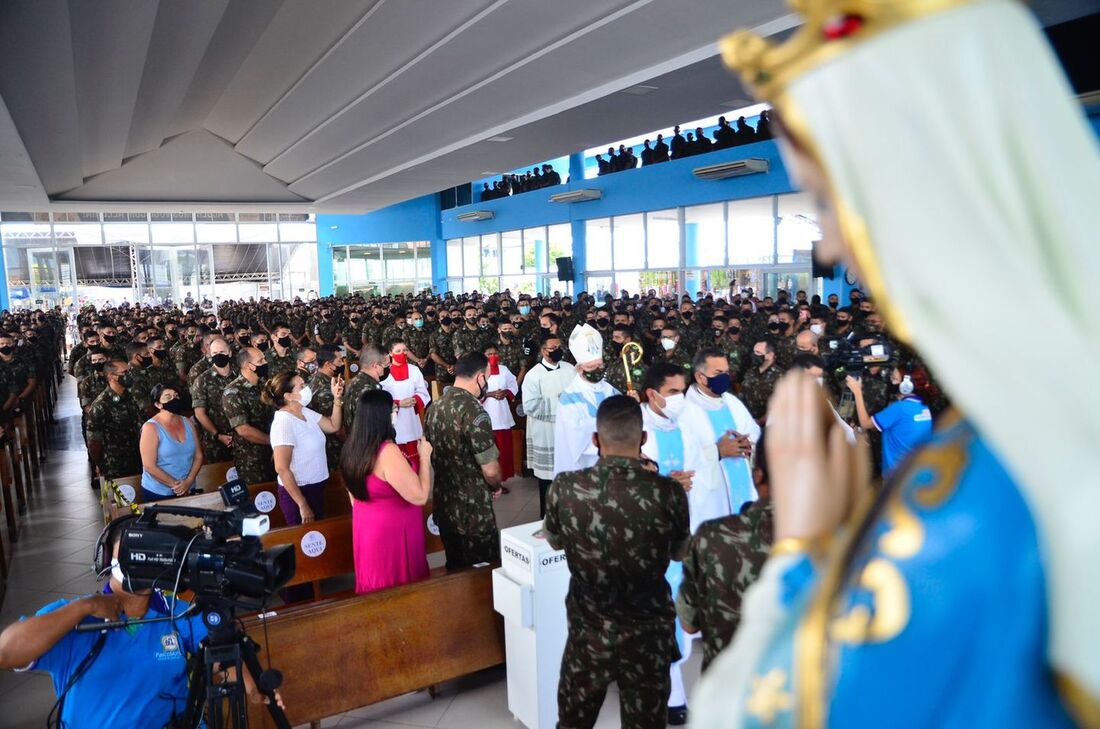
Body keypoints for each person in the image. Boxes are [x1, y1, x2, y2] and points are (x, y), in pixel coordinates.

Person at [693, 3, 1099, 725]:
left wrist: (803, 549)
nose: (826, 248)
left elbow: (752, 711)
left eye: (825, 201)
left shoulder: (984, 489)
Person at [543, 395, 689, 729]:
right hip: (648, 632)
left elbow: (554, 539)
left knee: (572, 723)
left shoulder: (566, 488)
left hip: (589, 630)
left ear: (596, 439)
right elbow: (679, 552)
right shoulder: (667, 492)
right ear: (643, 439)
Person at [676, 430, 774, 673]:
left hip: (725, 697)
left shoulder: (712, 537)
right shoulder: (840, 545)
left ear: (757, 476)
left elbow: (688, 624)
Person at [638, 363, 703, 725]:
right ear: (653, 394)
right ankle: (669, 690)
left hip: (682, 530)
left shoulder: (689, 420)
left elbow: (703, 460)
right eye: (675, 392)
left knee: (675, 605)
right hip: (647, 535)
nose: (681, 398)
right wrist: (666, 483)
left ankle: (671, 679)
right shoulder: (636, 426)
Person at [341, 389, 432, 593]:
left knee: (376, 587)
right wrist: (424, 457)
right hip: (393, 534)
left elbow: (353, 497)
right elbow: (420, 495)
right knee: (398, 589)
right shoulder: (386, 452)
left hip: (367, 526)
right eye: (393, 409)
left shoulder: (352, 447)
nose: (395, 413)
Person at [423, 352, 502, 571]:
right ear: (479, 377)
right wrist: (495, 485)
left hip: (446, 503)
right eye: (486, 376)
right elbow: (491, 469)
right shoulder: (475, 412)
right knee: (484, 572)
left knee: (455, 567)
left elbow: (431, 452)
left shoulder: (434, 408)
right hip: (473, 509)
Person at [683, 349, 760, 515]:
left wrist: (748, 446)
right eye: (718, 373)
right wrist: (717, 451)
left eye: (726, 372)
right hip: (709, 501)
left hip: (744, 490)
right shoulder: (685, 411)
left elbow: (755, 435)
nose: (725, 377)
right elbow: (683, 457)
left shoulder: (732, 403)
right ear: (700, 377)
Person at [265, 370, 344, 525]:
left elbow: (333, 426)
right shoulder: (284, 422)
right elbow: (282, 468)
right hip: (299, 492)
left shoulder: (304, 412)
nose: (306, 388)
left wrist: (337, 399)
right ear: (288, 396)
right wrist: (302, 504)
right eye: (301, 386)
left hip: (317, 487)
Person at [552, 324, 621, 476]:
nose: (597, 370)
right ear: (579, 369)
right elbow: (576, 434)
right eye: (591, 367)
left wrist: (631, 405)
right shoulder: (569, 396)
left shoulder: (612, 391)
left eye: (599, 365)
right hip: (581, 467)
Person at [521, 333, 575, 516]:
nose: (558, 351)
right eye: (553, 348)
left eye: (560, 347)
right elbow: (530, 406)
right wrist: (559, 402)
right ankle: (546, 518)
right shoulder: (533, 375)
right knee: (548, 480)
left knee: (568, 477)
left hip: (568, 431)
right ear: (543, 351)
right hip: (546, 433)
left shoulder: (570, 369)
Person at [847, 367, 933, 477]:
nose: (891, 381)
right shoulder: (923, 408)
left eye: (895, 378)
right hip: (915, 470)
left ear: (906, 387)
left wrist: (857, 391)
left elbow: (865, 423)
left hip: (895, 476)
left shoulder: (900, 408)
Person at [139, 384, 202, 502]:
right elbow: (149, 466)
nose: (174, 399)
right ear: (158, 404)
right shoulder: (150, 427)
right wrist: (178, 486)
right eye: (168, 397)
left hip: (188, 488)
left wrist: (188, 481)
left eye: (176, 396)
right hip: (159, 492)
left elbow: (198, 456)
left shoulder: (188, 422)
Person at [222, 348, 277, 486]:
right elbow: (244, 430)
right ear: (248, 366)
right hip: (253, 460)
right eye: (260, 360)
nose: (265, 362)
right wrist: (275, 442)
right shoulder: (233, 392)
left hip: (276, 453)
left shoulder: (265, 385)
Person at [86, 361, 143, 484]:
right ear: (112, 376)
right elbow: (93, 443)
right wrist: (101, 465)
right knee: (122, 500)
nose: (129, 375)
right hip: (115, 465)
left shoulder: (130, 397)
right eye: (125, 372)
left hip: (137, 457)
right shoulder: (101, 405)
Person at [380, 341, 430, 470]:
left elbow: (422, 391)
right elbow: (380, 397)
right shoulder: (384, 372)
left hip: (411, 420)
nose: (403, 354)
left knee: (416, 462)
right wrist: (398, 403)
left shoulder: (414, 370)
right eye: (398, 351)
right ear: (390, 353)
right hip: (393, 420)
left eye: (405, 350)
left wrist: (415, 399)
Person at [191, 336, 237, 464]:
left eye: (222, 352)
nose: (218, 356)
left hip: (242, 439)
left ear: (230, 352)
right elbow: (200, 413)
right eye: (215, 353)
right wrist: (218, 435)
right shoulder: (202, 380)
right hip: (216, 442)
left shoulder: (240, 375)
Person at [481, 345, 519, 488]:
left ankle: (500, 482)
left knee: (503, 451)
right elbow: (474, 390)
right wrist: (490, 394)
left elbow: (513, 385)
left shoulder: (504, 370)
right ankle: (487, 481)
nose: (492, 356)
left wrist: (505, 393)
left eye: (495, 353)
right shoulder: (480, 371)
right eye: (489, 354)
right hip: (486, 415)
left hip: (502, 415)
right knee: (488, 452)